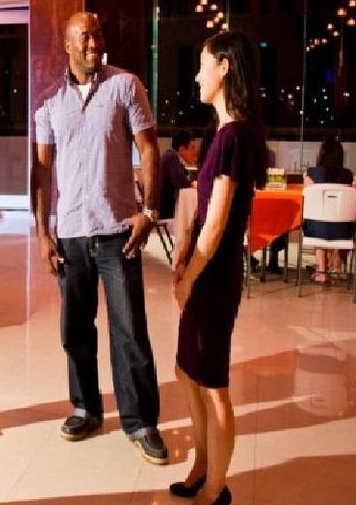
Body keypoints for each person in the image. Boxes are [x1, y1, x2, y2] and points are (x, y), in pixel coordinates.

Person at [31, 11, 167, 465]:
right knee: (75, 330)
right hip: (71, 234)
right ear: (68, 45)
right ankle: (86, 408)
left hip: (117, 231)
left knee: (130, 331)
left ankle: (141, 422)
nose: (95, 43)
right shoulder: (49, 103)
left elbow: (149, 149)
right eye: (85, 37)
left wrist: (150, 212)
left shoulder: (125, 86)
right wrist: (42, 233)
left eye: (98, 34)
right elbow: (41, 171)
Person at [171, 31, 268, 505]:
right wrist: (183, 255)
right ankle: (202, 464)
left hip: (215, 275)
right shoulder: (218, 133)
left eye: (203, 64)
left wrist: (189, 277)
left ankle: (216, 487)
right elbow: (201, 208)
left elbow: (218, 222)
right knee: (185, 370)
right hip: (203, 269)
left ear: (225, 68)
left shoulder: (235, 136)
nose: (197, 75)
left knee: (212, 382)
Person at [303, 136, 354, 284]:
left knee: (318, 219)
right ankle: (337, 260)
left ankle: (321, 272)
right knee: (334, 222)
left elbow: (306, 196)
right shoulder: (348, 175)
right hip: (344, 231)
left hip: (317, 230)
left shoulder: (312, 173)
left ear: (321, 155)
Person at [159, 129, 197, 219]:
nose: (195, 152)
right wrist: (193, 184)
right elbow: (180, 181)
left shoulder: (174, 158)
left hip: (166, 210)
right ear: (182, 149)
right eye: (192, 148)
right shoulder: (171, 156)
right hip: (163, 212)